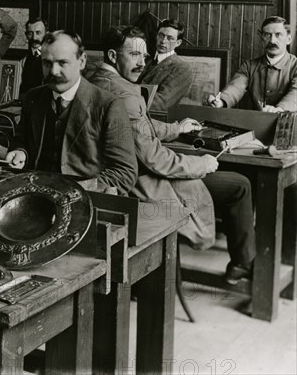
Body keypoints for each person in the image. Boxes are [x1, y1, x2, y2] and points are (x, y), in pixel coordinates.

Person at [88, 26, 256, 284]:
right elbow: (155, 159)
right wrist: (200, 164)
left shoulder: (96, 79)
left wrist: (177, 128)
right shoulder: (124, 92)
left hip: (119, 178)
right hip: (141, 184)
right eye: (134, 55)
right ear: (112, 55)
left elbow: (140, 125)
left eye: (144, 56)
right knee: (241, 185)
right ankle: (243, 264)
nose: (142, 63)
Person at [5, 30, 138, 195]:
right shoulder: (33, 97)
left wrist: (82, 188)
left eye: (62, 63)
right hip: (35, 195)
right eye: (47, 63)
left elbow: (125, 172)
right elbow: (21, 140)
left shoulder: (109, 105)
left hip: (84, 200)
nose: (53, 71)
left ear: (82, 61)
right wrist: (20, 152)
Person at [207, 16, 297, 112]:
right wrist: (221, 101)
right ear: (262, 38)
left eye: (278, 35)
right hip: (257, 123)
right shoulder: (249, 66)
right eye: (267, 35)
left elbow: (295, 93)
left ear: (289, 39)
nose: (272, 41)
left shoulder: (295, 66)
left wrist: (280, 109)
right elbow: (235, 88)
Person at [137, 19, 194, 110]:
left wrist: (127, 100)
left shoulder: (182, 68)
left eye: (170, 38)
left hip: (156, 120)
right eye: (161, 35)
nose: (163, 41)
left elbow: (162, 103)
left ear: (178, 43)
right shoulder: (147, 60)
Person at [19, 17, 48, 97]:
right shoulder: (23, 61)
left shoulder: (53, 58)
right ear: (26, 35)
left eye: (38, 33)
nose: (34, 38)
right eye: (30, 33)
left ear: (46, 34)